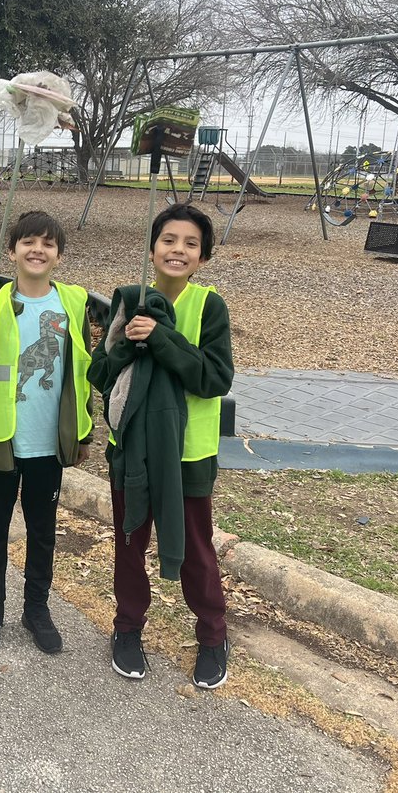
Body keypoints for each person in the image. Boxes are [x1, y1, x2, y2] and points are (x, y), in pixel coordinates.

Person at [86, 202, 234, 689]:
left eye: (191, 244)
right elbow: (101, 375)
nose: (179, 250)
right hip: (132, 449)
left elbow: (214, 378)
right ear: (152, 249)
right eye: (169, 240)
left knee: (195, 548)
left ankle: (212, 634)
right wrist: (126, 342)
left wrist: (164, 339)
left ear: (203, 258)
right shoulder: (127, 301)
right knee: (130, 543)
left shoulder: (207, 306)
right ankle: (127, 629)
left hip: (189, 454)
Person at [0, 211, 93, 655]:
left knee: (43, 531)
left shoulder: (72, 302)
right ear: (12, 250)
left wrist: (84, 431)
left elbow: (81, 371)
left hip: (48, 445)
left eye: (48, 243)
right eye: (28, 242)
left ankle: (37, 608)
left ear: (58, 255)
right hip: (3, 439)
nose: (38, 250)